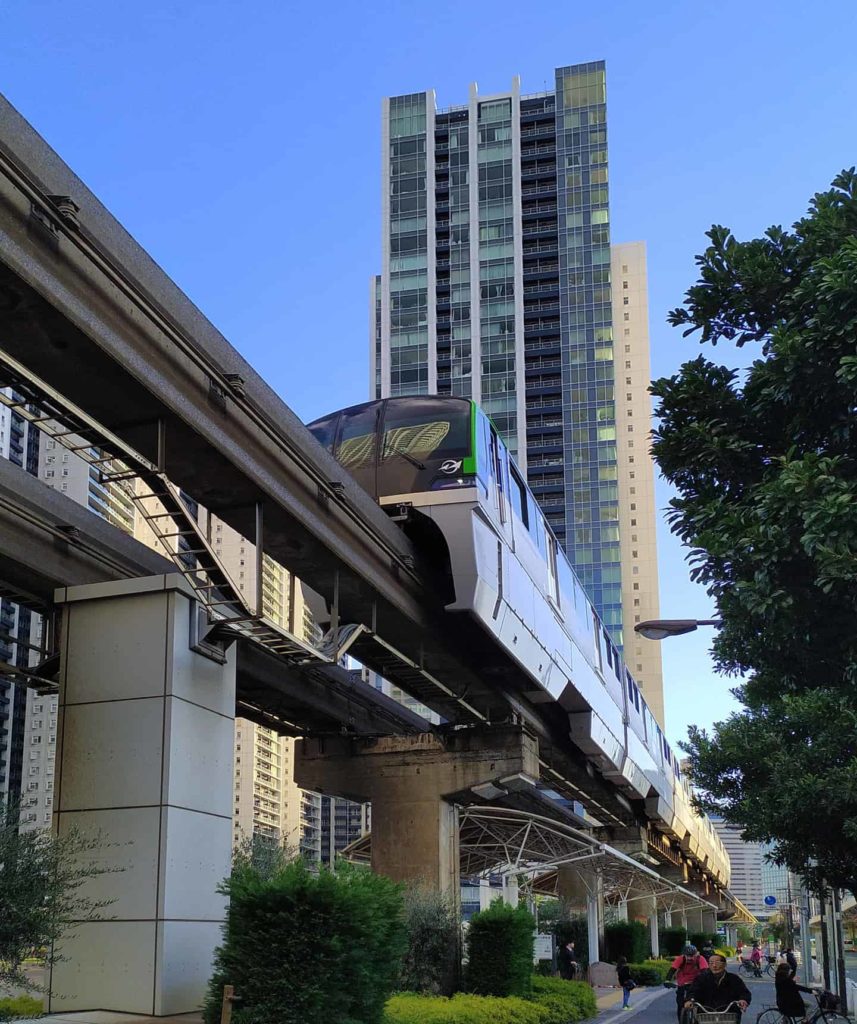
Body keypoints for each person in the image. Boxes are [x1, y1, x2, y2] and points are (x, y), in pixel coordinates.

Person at [685, 953, 751, 1015]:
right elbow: (692, 991)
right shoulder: (701, 978)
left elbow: (744, 992)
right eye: (711, 963)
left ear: (725, 964)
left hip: (729, 1013)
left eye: (717, 963)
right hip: (705, 1013)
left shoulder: (734, 978)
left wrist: (743, 1000)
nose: (714, 965)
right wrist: (690, 1000)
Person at [666, 944, 708, 1022]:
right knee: (680, 1004)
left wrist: (705, 982)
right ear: (684, 954)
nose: (690, 958)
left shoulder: (700, 959)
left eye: (692, 956)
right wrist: (667, 980)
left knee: (701, 1002)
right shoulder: (680, 959)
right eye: (688, 956)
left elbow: (704, 971)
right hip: (683, 983)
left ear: (696, 954)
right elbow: (672, 970)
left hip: (696, 983)